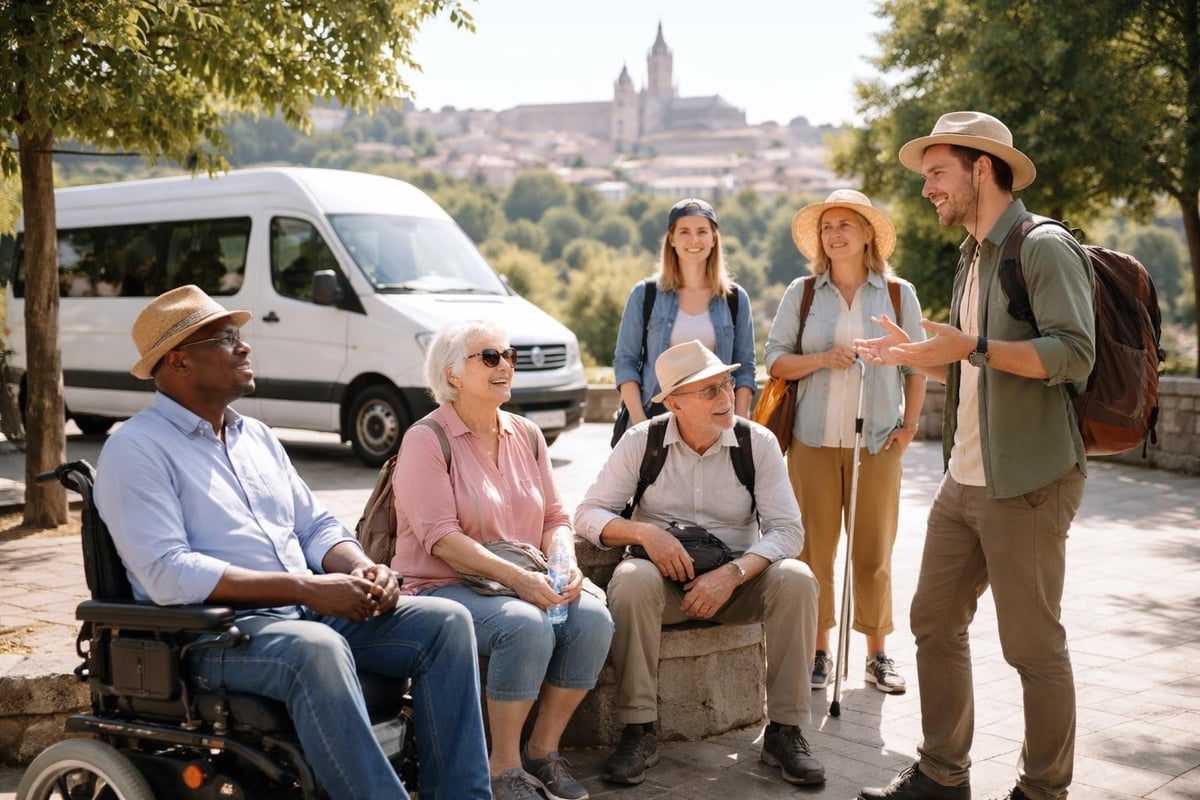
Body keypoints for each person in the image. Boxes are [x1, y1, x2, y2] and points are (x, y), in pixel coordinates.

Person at [93, 285, 492, 800]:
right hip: (210, 637)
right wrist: (307, 588)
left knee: (446, 623)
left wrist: (362, 568)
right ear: (179, 361)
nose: (245, 347)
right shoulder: (136, 449)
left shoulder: (254, 436)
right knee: (317, 649)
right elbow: (168, 574)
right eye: (227, 338)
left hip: (301, 613)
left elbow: (314, 527)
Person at [853, 112, 1095, 800]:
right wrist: (918, 358)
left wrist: (975, 348)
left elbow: (1074, 355)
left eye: (937, 173)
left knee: (1031, 647)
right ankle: (941, 775)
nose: (927, 187)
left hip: (1029, 482)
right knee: (932, 620)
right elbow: (972, 369)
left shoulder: (1042, 247)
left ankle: (1044, 790)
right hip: (963, 479)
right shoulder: (972, 254)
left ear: (980, 169)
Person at [575, 340, 824, 788]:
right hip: (663, 588)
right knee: (630, 579)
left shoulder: (758, 442)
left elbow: (789, 531)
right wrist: (645, 533)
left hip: (740, 583)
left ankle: (785, 732)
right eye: (708, 391)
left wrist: (733, 574)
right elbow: (588, 513)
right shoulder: (642, 441)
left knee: (797, 578)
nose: (726, 398)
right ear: (674, 402)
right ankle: (639, 731)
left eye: (726, 385)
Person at [390, 320, 614, 800]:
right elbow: (441, 539)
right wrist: (521, 581)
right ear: (452, 375)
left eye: (508, 355)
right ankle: (503, 767)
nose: (505, 364)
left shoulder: (528, 434)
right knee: (525, 625)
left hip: (517, 578)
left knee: (593, 618)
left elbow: (555, 515)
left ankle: (542, 751)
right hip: (441, 585)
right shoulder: (426, 440)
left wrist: (564, 558)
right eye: (489, 357)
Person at [765, 189, 926, 694]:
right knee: (814, 552)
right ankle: (818, 650)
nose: (835, 234)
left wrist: (909, 427)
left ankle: (877, 654)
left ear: (866, 235)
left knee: (873, 551)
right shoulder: (804, 292)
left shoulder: (898, 294)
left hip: (878, 442)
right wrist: (820, 359)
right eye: (827, 226)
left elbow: (917, 363)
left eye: (845, 225)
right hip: (812, 440)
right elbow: (774, 361)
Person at [612, 198, 755, 433]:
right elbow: (625, 363)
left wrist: (737, 426)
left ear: (714, 238)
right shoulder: (644, 295)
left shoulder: (735, 299)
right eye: (685, 231)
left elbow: (745, 369)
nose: (694, 240)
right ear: (672, 238)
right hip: (654, 418)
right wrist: (641, 427)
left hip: (716, 423)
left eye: (702, 231)